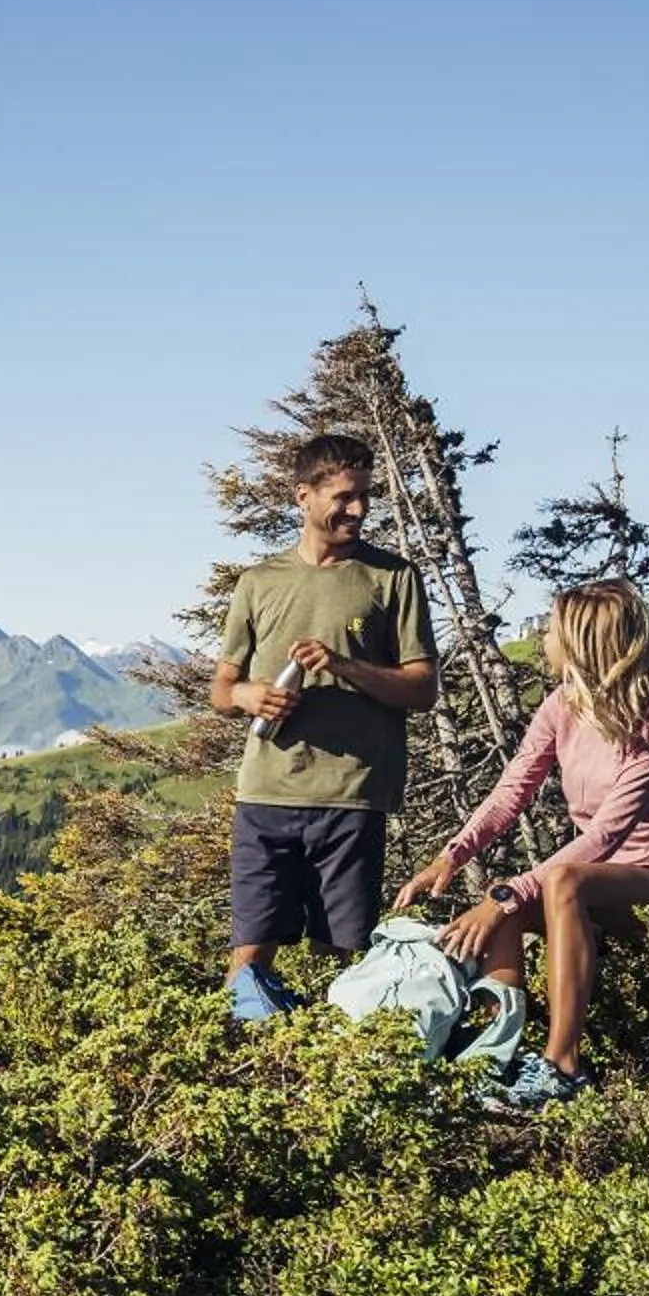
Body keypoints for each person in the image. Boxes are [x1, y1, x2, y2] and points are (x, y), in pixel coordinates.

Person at [392, 577, 649, 1109]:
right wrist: (451, 856)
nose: (543, 639)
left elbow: (606, 834)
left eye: (551, 629)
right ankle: (494, 1057)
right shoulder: (562, 705)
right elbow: (512, 791)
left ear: (581, 641)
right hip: (603, 884)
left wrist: (505, 893)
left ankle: (563, 1067)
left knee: (555, 883)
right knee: (515, 906)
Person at [212, 433, 441, 1018]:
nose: (358, 510)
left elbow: (422, 688)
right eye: (344, 497)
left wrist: (343, 665)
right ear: (303, 497)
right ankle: (246, 1069)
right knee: (249, 957)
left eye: (365, 497)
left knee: (348, 959)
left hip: (352, 797)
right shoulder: (258, 583)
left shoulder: (393, 578)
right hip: (265, 795)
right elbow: (221, 689)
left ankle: (346, 1080)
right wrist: (250, 696)